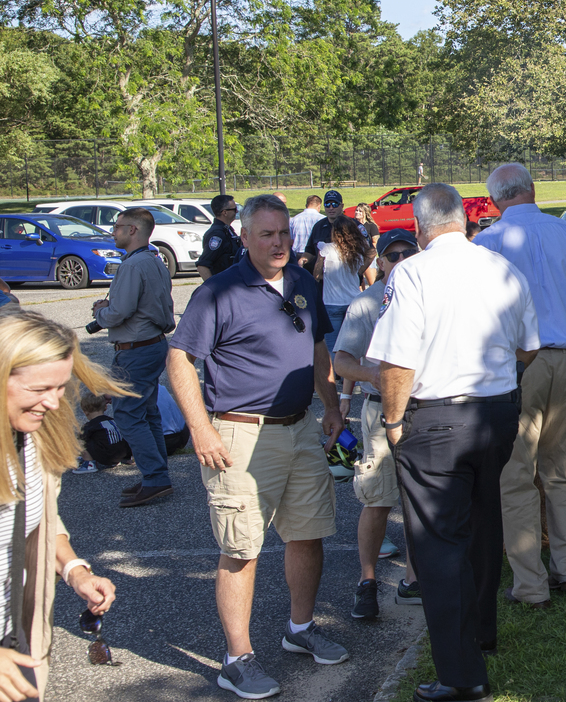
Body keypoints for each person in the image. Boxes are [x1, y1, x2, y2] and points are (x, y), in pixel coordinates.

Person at [165, 193, 348, 699]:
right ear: (244, 237)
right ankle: (236, 659)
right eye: (266, 234)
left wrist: (330, 405)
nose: (278, 243)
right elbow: (179, 359)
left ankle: (300, 629)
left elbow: (317, 349)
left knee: (308, 535)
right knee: (242, 549)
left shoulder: (304, 282)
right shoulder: (219, 293)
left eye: (284, 233)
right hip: (239, 434)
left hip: (299, 427)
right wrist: (200, 429)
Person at [368, 183, 540, 701]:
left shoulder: (413, 271)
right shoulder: (502, 268)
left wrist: (394, 423)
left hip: (437, 417)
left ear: (420, 228)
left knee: (439, 544)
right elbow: (530, 348)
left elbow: (397, 360)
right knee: (483, 524)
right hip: (495, 411)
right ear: (463, 220)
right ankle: (479, 633)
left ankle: (462, 675)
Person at [474, 163, 566, 610]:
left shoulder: (487, 243)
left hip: (517, 363)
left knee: (515, 474)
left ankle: (529, 583)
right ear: (533, 189)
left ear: (494, 200)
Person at [0, 311, 127, 699]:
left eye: (61, 388)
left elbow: (37, 521)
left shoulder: (31, 439)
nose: (55, 404)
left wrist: (75, 572)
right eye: (41, 389)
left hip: (16, 636)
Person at [333, 228, 421, 620]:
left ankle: (414, 579)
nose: (400, 260)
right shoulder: (366, 304)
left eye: (408, 253)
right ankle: (367, 582)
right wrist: (374, 378)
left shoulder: (429, 296)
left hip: (425, 410)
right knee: (378, 499)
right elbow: (340, 361)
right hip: (379, 410)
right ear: (380, 261)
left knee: (420, 501)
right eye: (393, 255)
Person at [90, 206, 177, 507]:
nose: (113, 231)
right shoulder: (155, 260)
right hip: (151, 345)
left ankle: (155, 478)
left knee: (128, 415)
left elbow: (119, 312)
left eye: (117, 226)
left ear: (133, 230)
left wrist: (100, 312)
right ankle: (157, 474)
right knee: (147, 412)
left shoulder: (132, 266)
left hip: (136, 350)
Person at [313, 214, 373, 349]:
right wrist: (360, 271)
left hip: (331, 302)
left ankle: (335, 370)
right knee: (353, 346)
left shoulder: (325, 249)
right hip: (354, 300)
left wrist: (325, 276)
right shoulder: (357, 250)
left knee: (332, 346)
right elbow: (372, 252)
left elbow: (316, 274)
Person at [73, 392, 131, 472]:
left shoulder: (90, 425)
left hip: (106, 457)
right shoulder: (112, 420)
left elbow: (80, 440)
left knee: (83, 439)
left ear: (85, 412)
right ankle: (120, 461)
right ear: (105, 408)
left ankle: (89, 464)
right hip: (122, 454)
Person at [196, 195, 242, 280]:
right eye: (234, 209)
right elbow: (203, 265)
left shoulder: (228, 230)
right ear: (225, 212)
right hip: (224, 286)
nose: (237, 211)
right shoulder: (217, 234)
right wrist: (213, 288)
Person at [299, 190, 347, 270]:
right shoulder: (318, 226)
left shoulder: (353, 225)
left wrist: (359, 272)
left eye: (334, 204)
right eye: (327, 205)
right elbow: (310, 251)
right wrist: (303, 259)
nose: (331, 208)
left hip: (346, 276)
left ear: (341, 206)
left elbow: (369, 252)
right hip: (322, 277)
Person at [290, 195, 324, 260]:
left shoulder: (295, 219)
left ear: (306, 205)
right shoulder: (322, 219)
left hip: (298, 254)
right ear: (319, 206)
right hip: (315, 255)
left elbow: (291, 240)